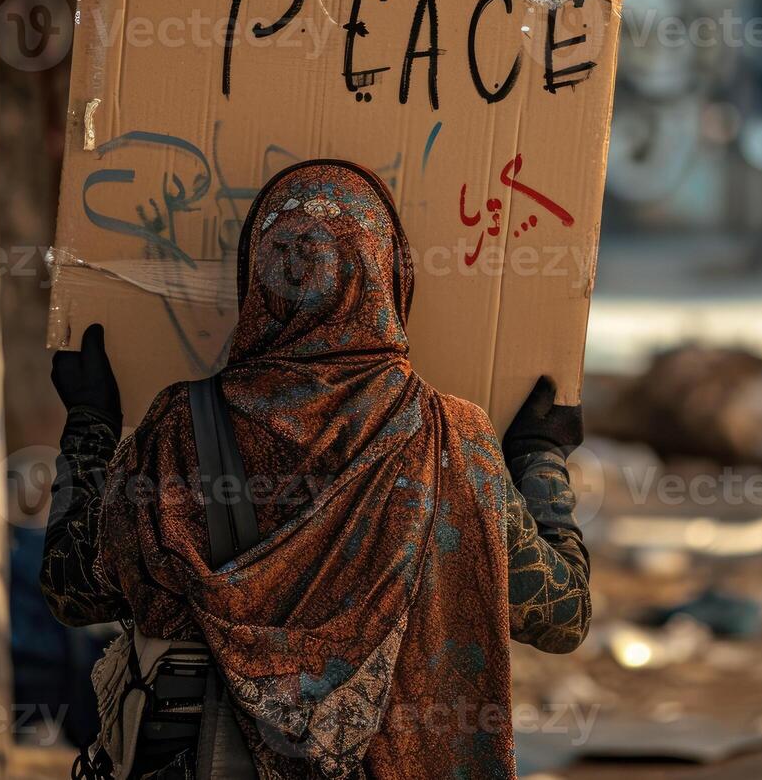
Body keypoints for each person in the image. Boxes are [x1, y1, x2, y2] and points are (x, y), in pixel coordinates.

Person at [42, 159, 590, 779]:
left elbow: (73, 588)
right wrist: (540, 458)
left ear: (254, 280)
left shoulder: (176, 431)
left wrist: (89, 426)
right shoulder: (452, 443)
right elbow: (561, 613)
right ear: (390, 276)